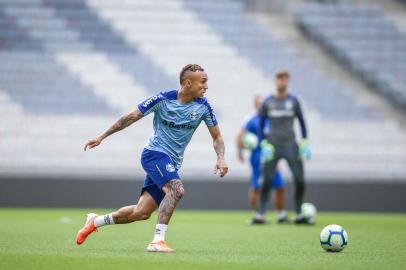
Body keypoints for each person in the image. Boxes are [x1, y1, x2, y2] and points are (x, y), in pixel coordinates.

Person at [76, 64, 228, 252]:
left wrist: (220, 157)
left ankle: (95, 221)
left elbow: (217, 137)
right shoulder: (163, 99)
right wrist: (102, 136)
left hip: (171, 162)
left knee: (141, 213)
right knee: (176, 190)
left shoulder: (203, 106)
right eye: (203, 82)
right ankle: (157, 241)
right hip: (154, 155)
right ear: (188, 83)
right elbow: (130, 117)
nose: (206, 86)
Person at [256, 70, 312, 224]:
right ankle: (260, 214)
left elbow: (302, 122)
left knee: (299, 179)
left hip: (290, 144)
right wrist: (264, 143)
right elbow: (261, 124)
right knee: (266, 180)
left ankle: (299, 213)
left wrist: (305, 141)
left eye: (285, 79)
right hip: (272, 146)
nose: (282, 82)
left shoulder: (294, 101)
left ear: (288, 81)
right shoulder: (268, 102)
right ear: (275, 81)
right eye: (280, 79)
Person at [236, 95, 288, 224]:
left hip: (272, 155)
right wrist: (240, 151)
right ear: (255, 105)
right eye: (259, 103)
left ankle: (281, 215)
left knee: (279, 185)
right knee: (257, 186)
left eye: (263, 103)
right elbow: (240, 136)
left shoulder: (272, 119)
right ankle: (257, 215)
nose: (261, 105)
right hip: (258, 156)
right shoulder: (251, 120)